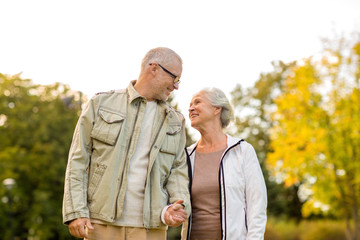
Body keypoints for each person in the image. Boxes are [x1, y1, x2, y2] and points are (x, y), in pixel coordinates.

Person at [62, 47, 191, 240]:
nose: (176, 86)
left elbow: (178, 171)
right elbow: (78, 160)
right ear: (154, 68)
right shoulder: (100, 104)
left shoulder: (176, 121)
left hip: (152, 228)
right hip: (100, 224)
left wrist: (179, 205)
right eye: (175, 78)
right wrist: (75, 211)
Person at [182, 88, 267, 240]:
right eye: (190, 105)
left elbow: (257, 205)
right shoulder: (186, 155)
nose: (191, 108)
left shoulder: (242, 150)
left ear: (217, 109)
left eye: (198, 102)